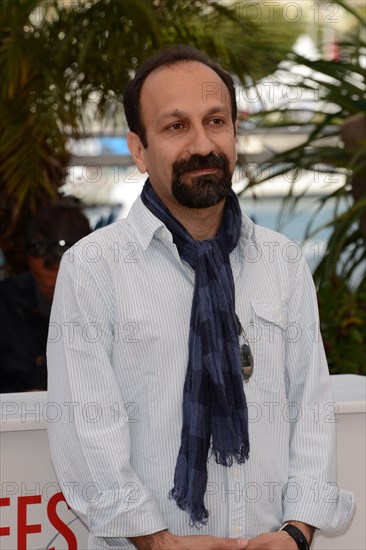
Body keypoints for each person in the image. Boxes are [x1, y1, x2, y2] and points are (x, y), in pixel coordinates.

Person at [47, 46, 354, 550]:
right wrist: (159, 543)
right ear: (139, 149)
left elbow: (312, 410)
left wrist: (297, 532)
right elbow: (86, 430)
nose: (201, 143)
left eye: (216, 121)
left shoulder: (282, 261)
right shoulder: (93, 268)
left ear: (235, 133)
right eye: (175, 126)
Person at [0, 204, 91, 393]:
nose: (53, 294)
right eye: (43, 285)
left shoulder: (114, 304)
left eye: (62, 286)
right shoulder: (6, 305)